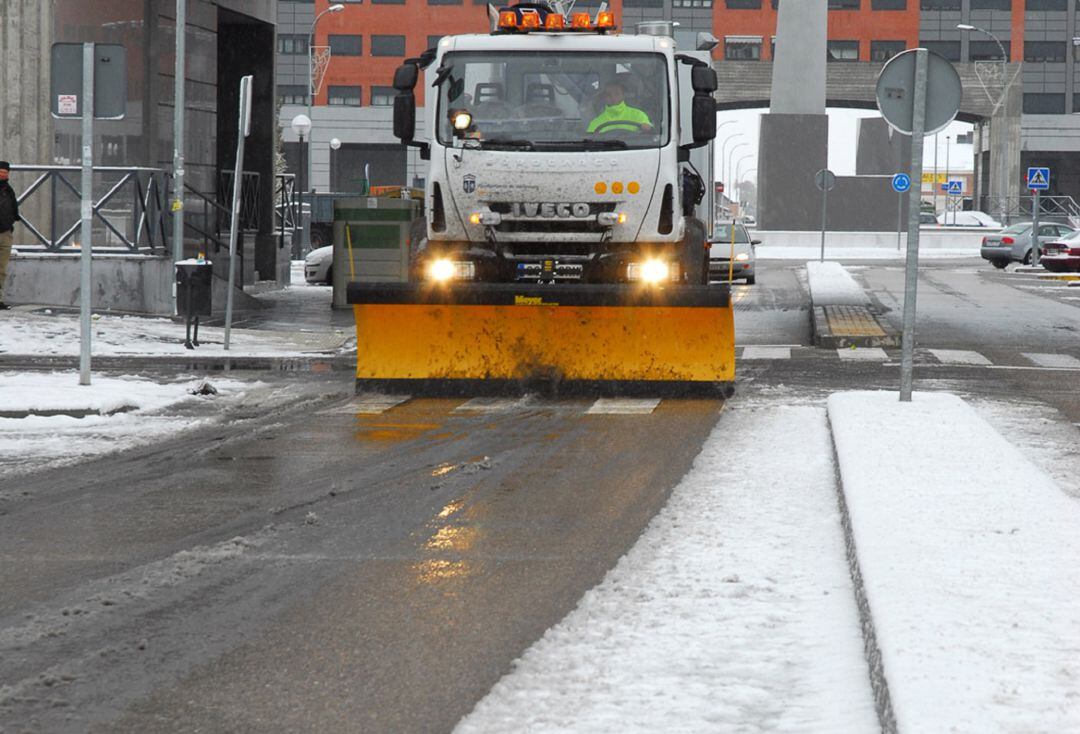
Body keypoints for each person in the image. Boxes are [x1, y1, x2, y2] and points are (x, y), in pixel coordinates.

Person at [586, 80, 652, 134]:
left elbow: (650, 134)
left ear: (623, 95)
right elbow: (589, 143)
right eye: (609, 94)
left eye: (617, 94)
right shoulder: (595, 123)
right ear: (604, 97)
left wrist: (647, 128)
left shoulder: (639, 115)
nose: (613, 97)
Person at [0, 161, 19, 310]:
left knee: (1, 269)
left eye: (5, 172)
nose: (3, 174)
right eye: (1, 172)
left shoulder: (8, 190)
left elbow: (13, 209)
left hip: (6, 232)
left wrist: (10, 227)